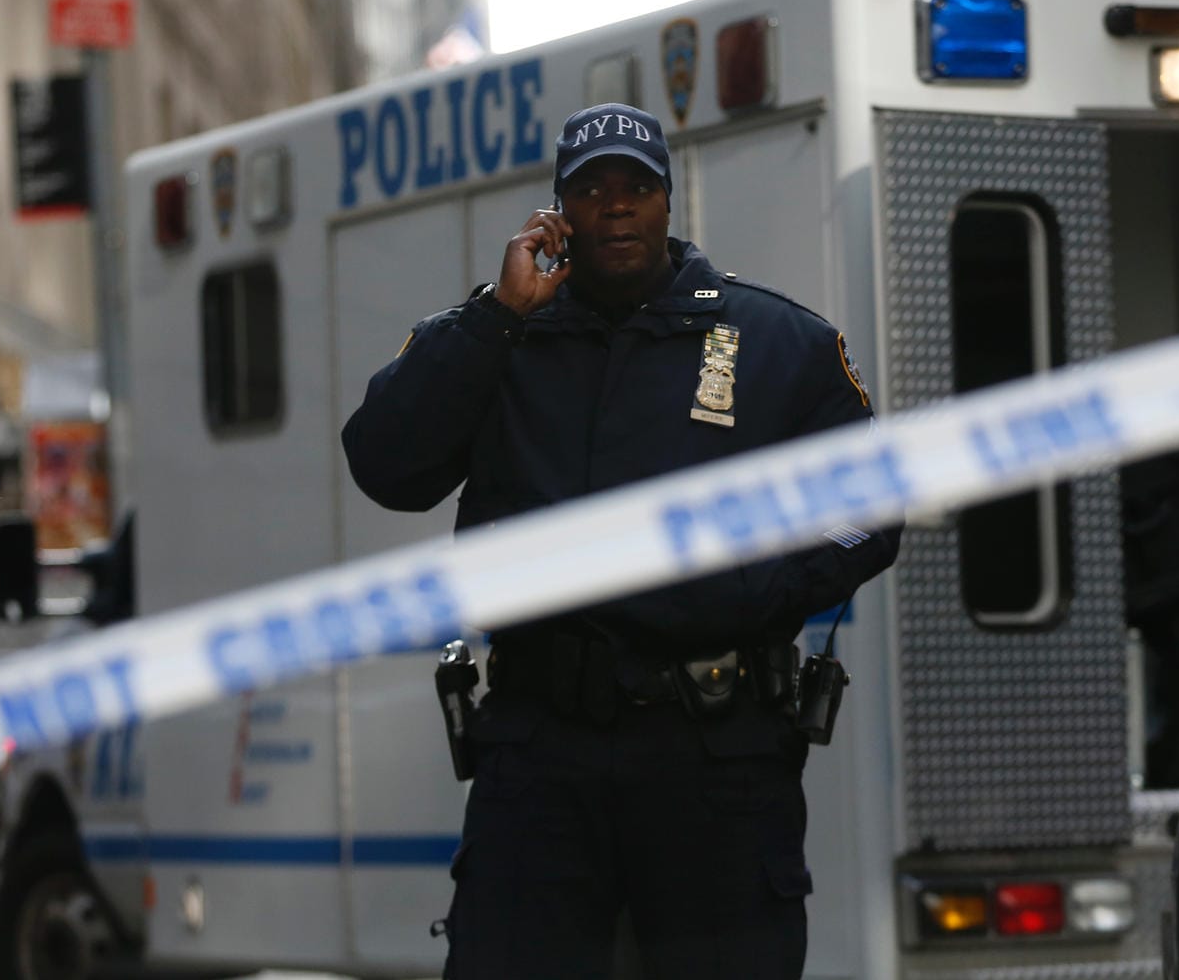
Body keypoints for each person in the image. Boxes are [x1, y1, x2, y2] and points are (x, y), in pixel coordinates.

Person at [341, 102, 901, 979]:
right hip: (540, 755)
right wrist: (496, 317)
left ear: (667, 203)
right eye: (592, 189)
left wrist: (743, 591)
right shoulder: (501, 338)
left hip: (711, 761)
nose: (615, 206)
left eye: (635, 187)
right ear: (558, 213)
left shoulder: (772, 340)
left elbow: (872, 508)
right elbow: (385, 465)